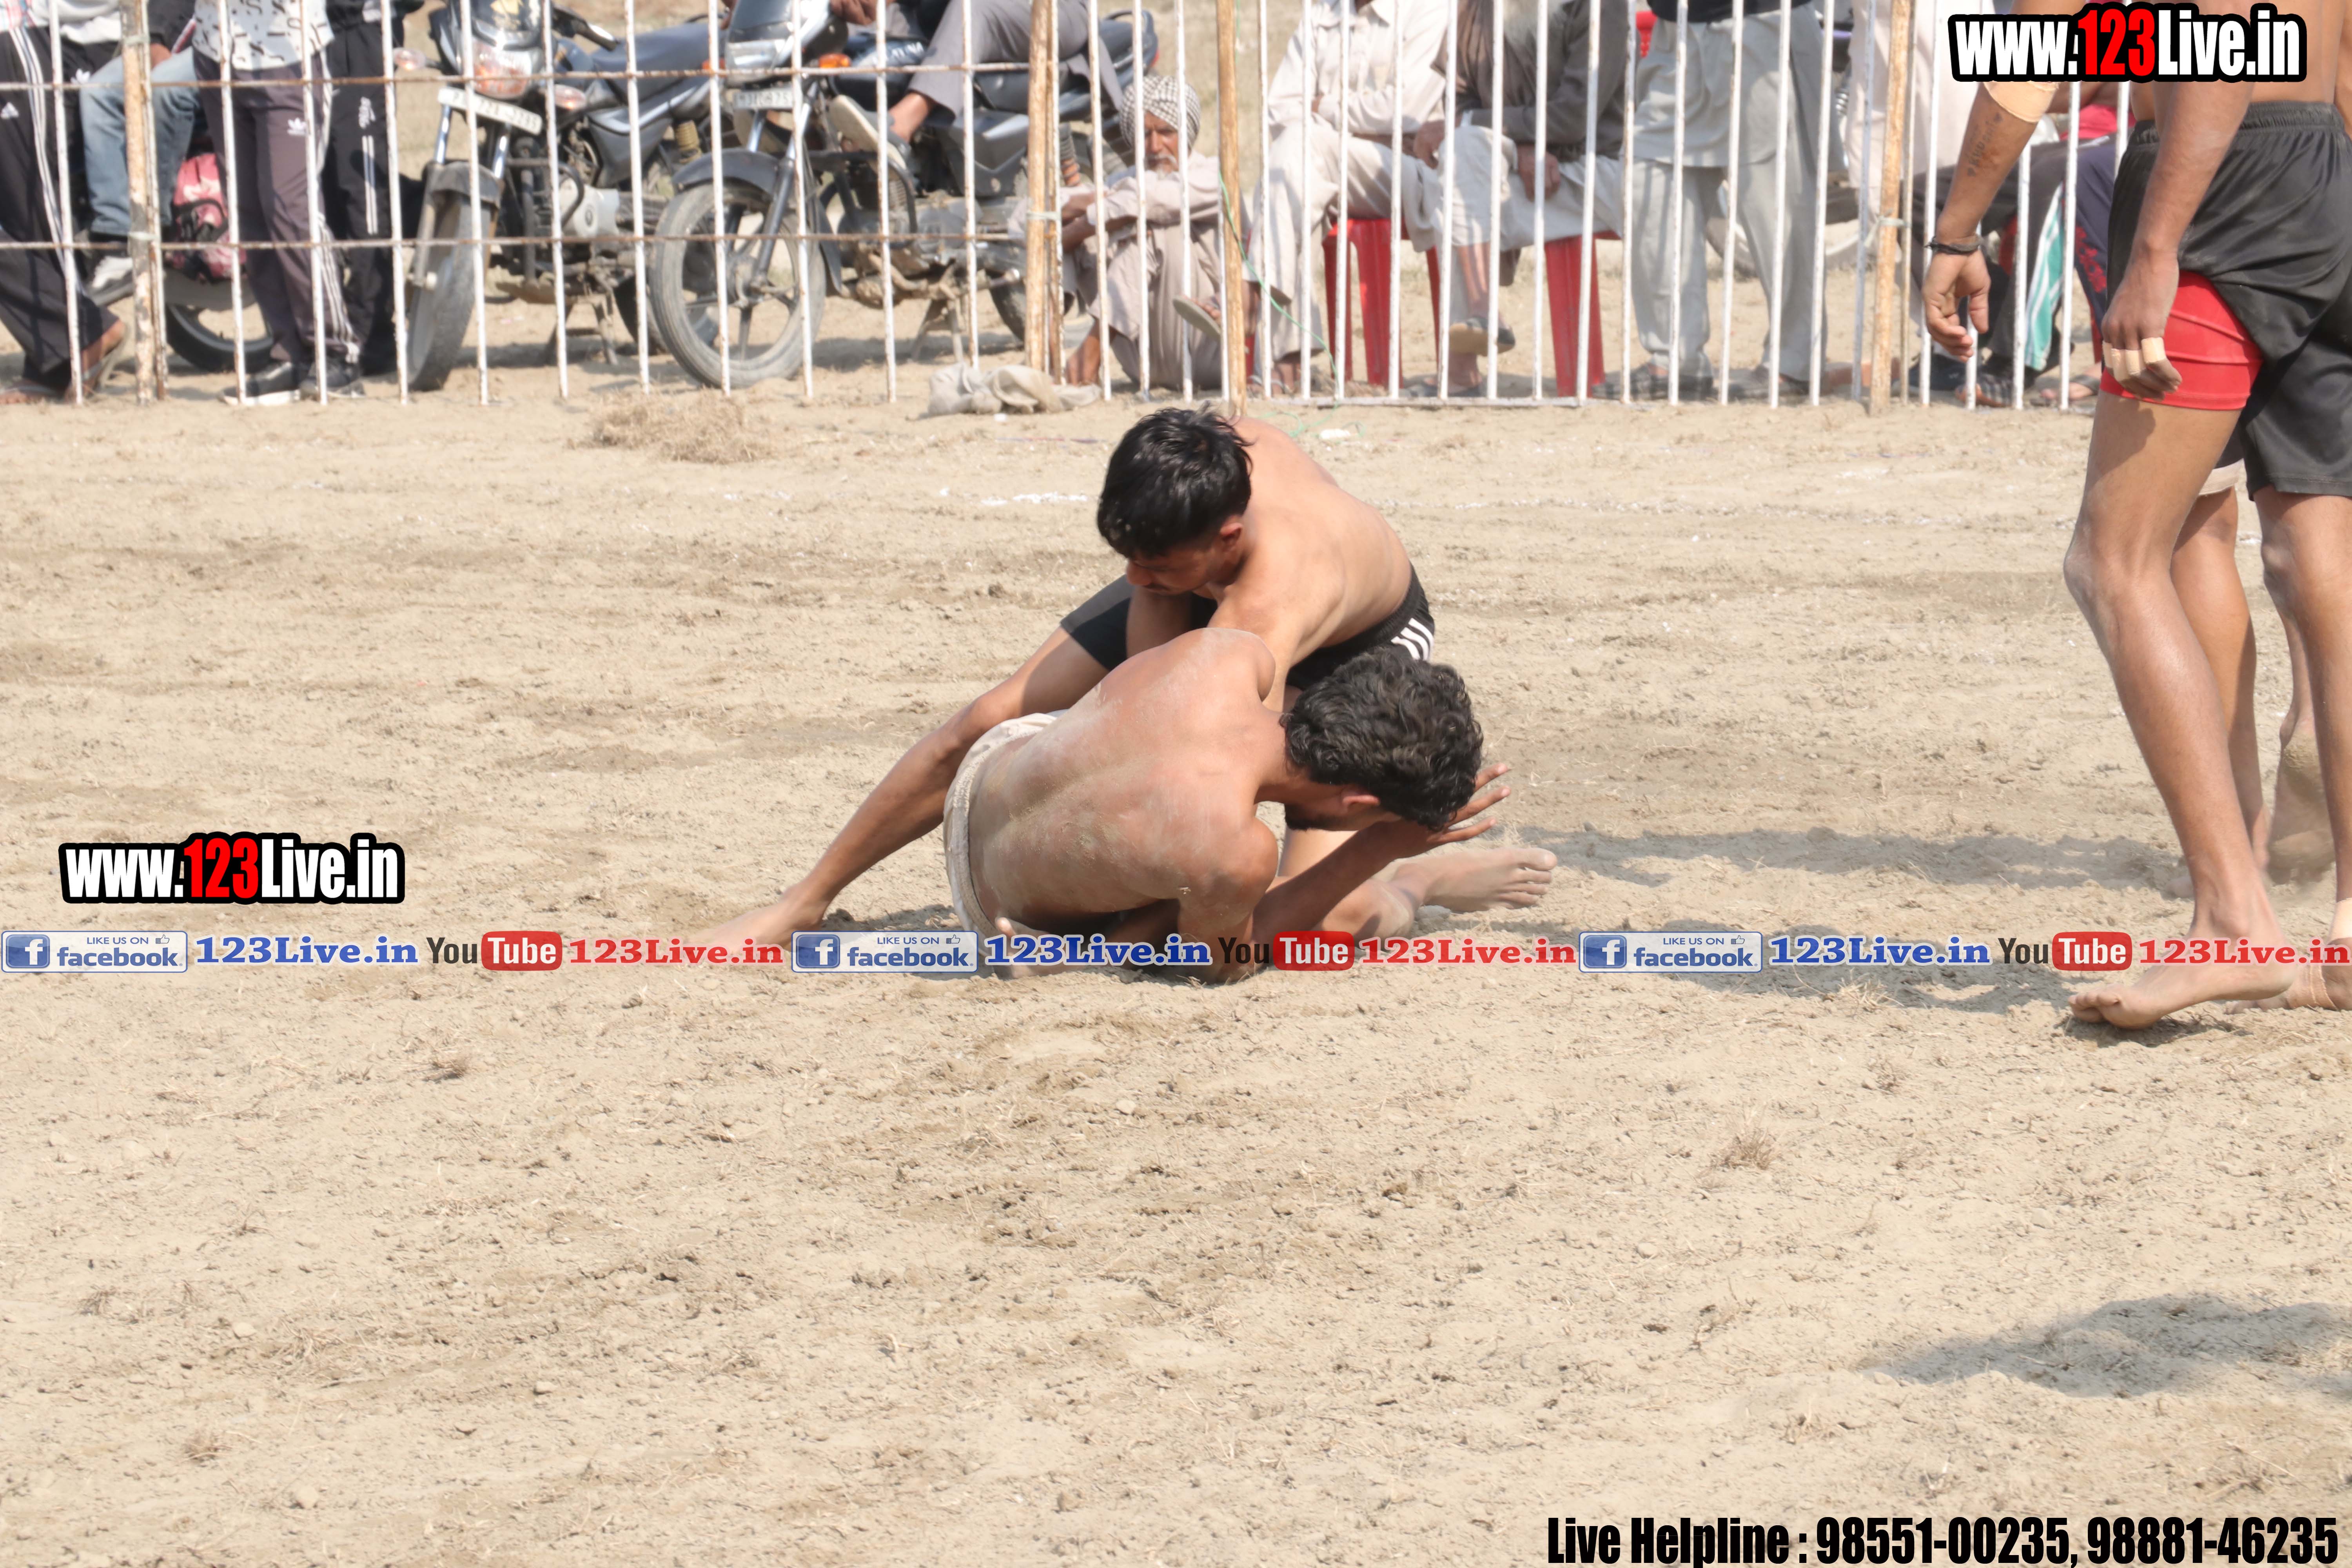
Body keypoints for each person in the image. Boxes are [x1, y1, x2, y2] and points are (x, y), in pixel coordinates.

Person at [702, 407, 1555, 947]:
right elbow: (1147, 685)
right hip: (1209, 588)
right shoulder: (1200, 466)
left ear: (1228, 537)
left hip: (1361, 644)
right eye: (1127, 560)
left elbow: (1216, 812)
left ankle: (1414, 879)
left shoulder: (1266, 606)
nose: (1136, 579)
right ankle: (804, 900)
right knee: (982, 720)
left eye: (1155, 568)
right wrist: (1159, 584)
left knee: (1316, 921)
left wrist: (1138, 926)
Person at [1923, 0, 2352, 1025]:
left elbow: (2064, 54)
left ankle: (2234, 921)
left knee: (2119, 557)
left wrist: (1962, 229)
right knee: (2314, 552)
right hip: (2324, 168)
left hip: (2212, 185)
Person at [947, 633, 1512, 980]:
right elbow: (1218, 962)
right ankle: (1417, 885)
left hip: (988, 775)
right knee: (1342, 910)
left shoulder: (1230, 653)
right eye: (1375, 817)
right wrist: (1377, 848)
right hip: (1000, 914)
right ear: (1358, 800)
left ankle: (1116, 940)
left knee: (1188, 860)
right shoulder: (1236, 850)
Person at [1408, 0, 1628, 391]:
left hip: (1592, 171)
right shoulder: (1475, 8)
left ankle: (1462, 361)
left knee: (1463, 170)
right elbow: (1461, 99)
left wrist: (1503, 132)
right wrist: (1522, 145)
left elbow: (1575, 116)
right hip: (1516, 169)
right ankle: (1479, 321)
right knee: (1461, 164)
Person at [1619, 0, 1825, 401]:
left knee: (1774, 204)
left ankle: (1794, 362)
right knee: (1648, 175)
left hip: (1762, 24)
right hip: (1676, 28)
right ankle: (1675, 357)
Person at [1245, 0, 1450, 391]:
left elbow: (1406, 109)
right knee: (1293, 182)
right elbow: (1279, 112)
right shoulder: (1322, 13)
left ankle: (1250, 300)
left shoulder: (1428, 9)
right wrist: (1363, 131)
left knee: (1299, 151)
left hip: (1410, 169)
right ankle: (1285, 366)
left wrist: (1320, 109)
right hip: (1325, 166)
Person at [196, 0, 361, 401]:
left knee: (290, 208)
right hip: (216, 50)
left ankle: (336, 351)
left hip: (289, 53)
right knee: (248, 211)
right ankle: (289, 352)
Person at [0, 0, 130, 400]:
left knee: (34, 211)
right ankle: (59, 351)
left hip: (15, 40)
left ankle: (77, 339)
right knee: (26, 211)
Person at [1060, 75, 1221, 392]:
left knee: (1154, 225)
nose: (1154, 146)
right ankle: (1051, 342)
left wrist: (1085, 219)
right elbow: (1026, 220)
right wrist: (1082, 218)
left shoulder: (1212, 174)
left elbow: (1147, 201)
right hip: (1141, 362)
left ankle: (1089, 355)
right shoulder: (1128, 180)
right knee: (1066, 233)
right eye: (1145, 135)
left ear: (1187, 133)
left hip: (1205, 348)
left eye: (1166, 133)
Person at [824, 0, 1092, 162]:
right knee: (860, 39)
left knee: (971, 8)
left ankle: (902, 124)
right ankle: (823, 128)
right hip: (935, 14)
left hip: (1050, 11)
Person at [78, 0, 200, 303]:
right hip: (177, 28)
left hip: (238, 39)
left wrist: (163, 41)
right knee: (98, 92)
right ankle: (118, 238)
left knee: (166, 85)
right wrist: (156, 36)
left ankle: (152, 228)